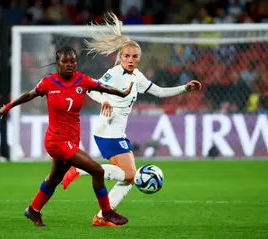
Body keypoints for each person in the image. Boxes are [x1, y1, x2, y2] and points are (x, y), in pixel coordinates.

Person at [61, 13, 202, 227]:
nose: (130, 59)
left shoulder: (137, 77)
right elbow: (90, 88)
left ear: (139, 58)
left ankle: (102, 216)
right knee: (129, 174)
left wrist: (185, 88)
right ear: (120, 56)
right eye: (126, 56)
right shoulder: (113, 74)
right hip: (108, 129)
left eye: (134, 56)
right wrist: (103, 101)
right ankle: (80, 169)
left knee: (128, 180)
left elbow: (159, 92)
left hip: (117, 132)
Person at [0, 46, 134, 227]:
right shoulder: (48, 82)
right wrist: (8, 107)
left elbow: (102, 87)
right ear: (57, 63)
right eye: (65, 62)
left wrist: (121, 93)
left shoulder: (82, 80)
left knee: (54, 178)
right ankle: (107, 213)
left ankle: (33, 210)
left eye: (73, 61)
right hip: (56, 141)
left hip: (71, 139)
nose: (69, 65)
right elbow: (29, 95)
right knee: (97, 171)